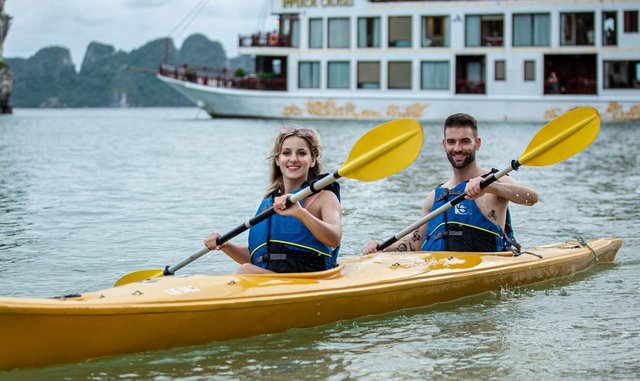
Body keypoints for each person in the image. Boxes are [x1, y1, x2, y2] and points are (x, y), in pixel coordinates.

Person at [362, 113, 538, 254]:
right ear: (444, 145)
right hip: (440, 271)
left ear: (477, 144)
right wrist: (382, 248)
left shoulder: (495, 180)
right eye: (451, 142)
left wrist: (492, 187)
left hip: (485, 269)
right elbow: (415, 243)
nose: (457, 148)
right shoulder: (435, 197)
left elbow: (531, 198)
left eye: (465, 141)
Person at [205, 127, 342, 274]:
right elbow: (258, 259)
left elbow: (335, 238)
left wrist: (300, 213)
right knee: (247, 270)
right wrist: (226, 246)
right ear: (277, 160)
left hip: (310, 280)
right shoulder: (270, 203)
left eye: (301, 153)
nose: (293, 159)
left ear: (313, 160)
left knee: (246, 271)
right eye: (286, 153)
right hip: (277, 281)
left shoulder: (324, 197)